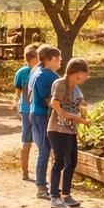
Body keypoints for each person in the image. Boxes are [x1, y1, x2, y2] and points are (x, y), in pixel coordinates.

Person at [47, 58, 91, 208]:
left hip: (70, 129)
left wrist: (88, 112)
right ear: (78, 73)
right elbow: (55, 103)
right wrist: (71, 116)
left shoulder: (77, 89)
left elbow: (81, 105)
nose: (86, 77)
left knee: (72, 161)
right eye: (85, 74)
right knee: (59, 161)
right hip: (57, 129)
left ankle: (66, 193)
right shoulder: (60, 84)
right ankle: (54, 195)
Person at [30, 45, 62, 199]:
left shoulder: (42, 72)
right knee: (44, 151)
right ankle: (41, 187)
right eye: (57, 58)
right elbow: (48, 100)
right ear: (49, 60)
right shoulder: (45, 75)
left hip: (39, 115)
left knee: (46, 150)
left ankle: (46, 185)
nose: (60, 61)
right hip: (42, 115)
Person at [13, 44, 40, 183]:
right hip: (27, 110)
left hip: (38, 110)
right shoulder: (23, 72)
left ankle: (40, 173)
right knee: (27, 142)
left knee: (41, 143)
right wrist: (16, 102)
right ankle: (24, 172)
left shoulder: (41, 71)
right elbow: (18, 91)